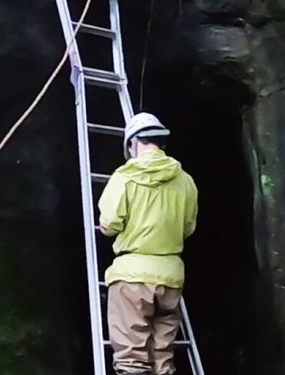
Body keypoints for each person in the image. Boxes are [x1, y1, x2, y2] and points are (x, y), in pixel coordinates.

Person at [98, 112, 198, 375]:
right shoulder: (186, 181)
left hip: (131, 278)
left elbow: (108, 225)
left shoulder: (125, 176)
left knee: (132, 359)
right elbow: (188, 228)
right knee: (162, 360)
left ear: (133, 144)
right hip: (171, 279)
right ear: (161, 143)